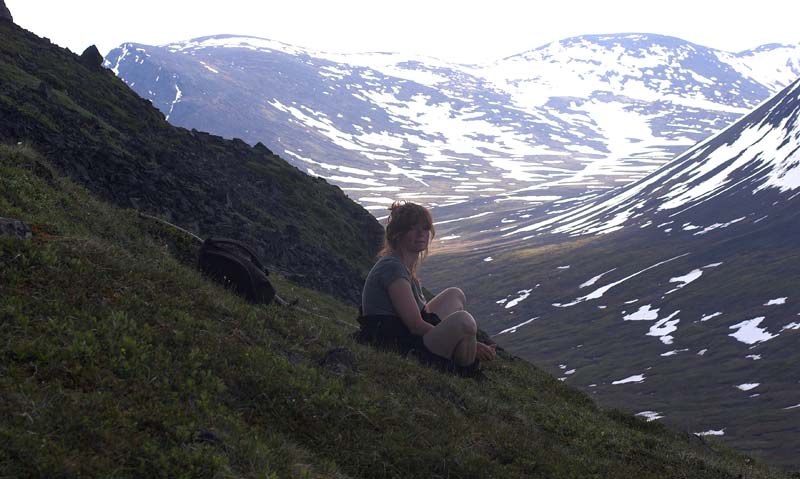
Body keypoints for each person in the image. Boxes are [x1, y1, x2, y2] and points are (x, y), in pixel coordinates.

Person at [359, 201, 496, 368]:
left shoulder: (403, 266)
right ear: (397, 234)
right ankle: (463, 365)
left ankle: (461, 350)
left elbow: (424, 315)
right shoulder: (392, 268)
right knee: (465, 322)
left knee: (455, 295)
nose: (421, 234)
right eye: (412, 228)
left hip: (405, 333)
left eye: (425, 228)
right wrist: (472, 345)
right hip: (396, 344)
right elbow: (415, 325)